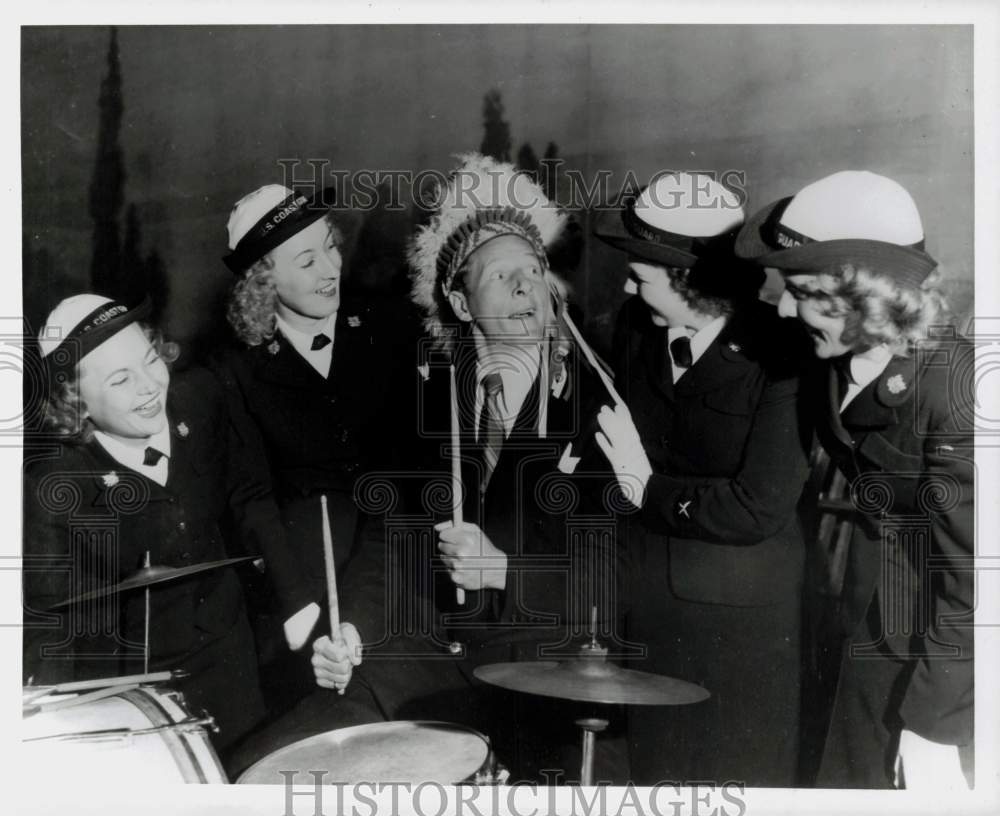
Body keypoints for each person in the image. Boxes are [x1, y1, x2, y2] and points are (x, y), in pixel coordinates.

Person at [735, 170, 974, 790]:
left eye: (803, 291)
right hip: (861, 637)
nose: (785, 307)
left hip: (935, 673)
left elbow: (976, 586)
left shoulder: (954, 388)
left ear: (865, 294)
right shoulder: (835, 362)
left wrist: (934, 727)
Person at [592, 172, 813, 786]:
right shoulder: (635, 329)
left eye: (642, 277)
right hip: (648, 616)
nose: (628, 287)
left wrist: (647, 489)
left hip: (741, 628)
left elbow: (758, 508)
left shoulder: (784, 353)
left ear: (692, 283)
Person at [22, 294, 269, 756]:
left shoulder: (199, 403)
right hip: (135, 696)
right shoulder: (54, 487)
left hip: (231, 664)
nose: (150, 386)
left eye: (150, 359)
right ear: (77, 404)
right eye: (120, 379)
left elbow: (251, 498)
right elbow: (48, 628)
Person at [211, 182, 411, 707]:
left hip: (395, 575)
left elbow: (401, 482)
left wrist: (359, 620)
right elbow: (251, 501)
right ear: (263, 282)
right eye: (306, 260)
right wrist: (306, 621)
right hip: (301, 598)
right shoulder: (233, 371)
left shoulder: (386, 331)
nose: (330, 268)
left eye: (330, 246)